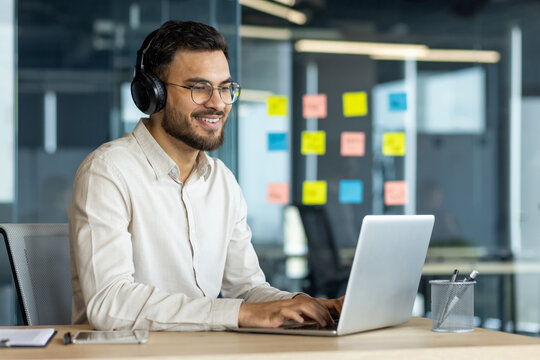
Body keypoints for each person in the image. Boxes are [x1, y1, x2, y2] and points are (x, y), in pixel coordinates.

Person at [68, 20, 343, 331]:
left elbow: (248, 291)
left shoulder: (221, 181)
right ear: (153, 93)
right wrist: (238, 313)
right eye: (199, 88)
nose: (217, 103)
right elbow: (109, 303)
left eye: (225, 88)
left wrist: (305, 305)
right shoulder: (108, 172)